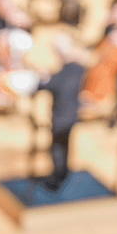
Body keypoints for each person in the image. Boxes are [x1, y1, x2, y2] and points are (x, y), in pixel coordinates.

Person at [36, 35, 86, 191]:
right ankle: (62, 173)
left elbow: (49, 85)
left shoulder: (63, 74)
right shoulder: (80, 68)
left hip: (61, 118)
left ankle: (58, 178)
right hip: (73, 115)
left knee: (57, 148)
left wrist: (43, 78)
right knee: (65, 146)